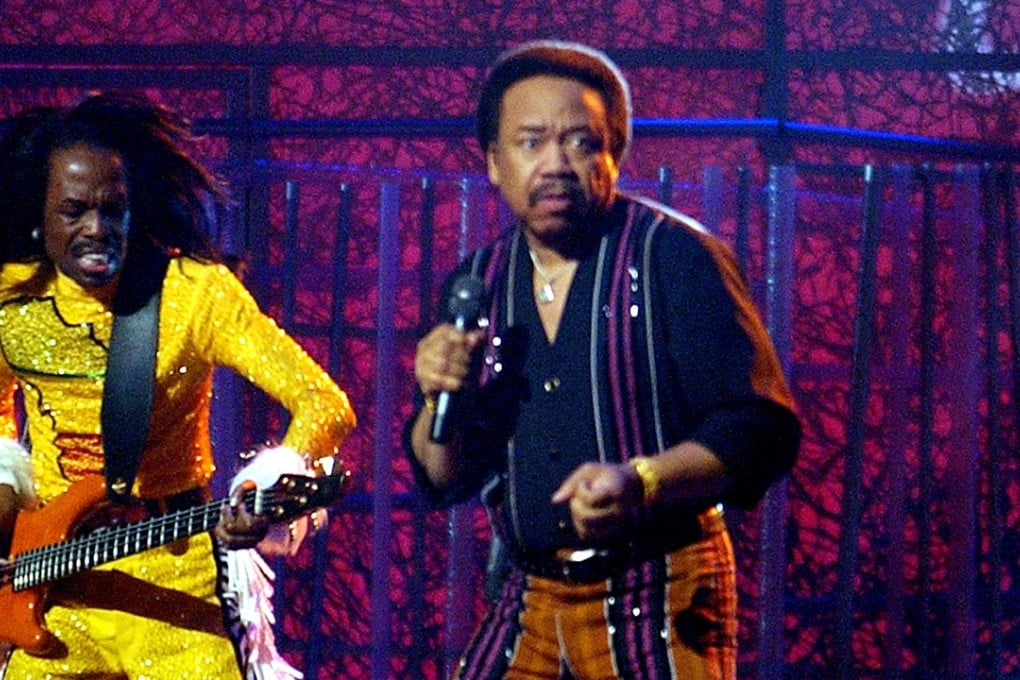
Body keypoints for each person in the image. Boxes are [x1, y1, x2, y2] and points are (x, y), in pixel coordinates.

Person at [405, 41, 801, 680]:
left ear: (614, 154)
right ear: (494, 164)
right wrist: (434, 398)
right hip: (527, 596)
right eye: (531, 142)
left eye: (580, 142)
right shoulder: (477, 283)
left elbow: (759, 429)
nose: (555, 164)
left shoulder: (676, 257)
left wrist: (642, 480)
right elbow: (444, 476)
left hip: (660, 586)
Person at [0, 93, 357, 679]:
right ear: (39, 216)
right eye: (74, 211)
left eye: (113, 209)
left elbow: (324, 402)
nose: (97, 229)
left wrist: (261, 488)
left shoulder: (194, 293)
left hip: (176, 571)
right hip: (53, 587)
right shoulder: (13, 300)